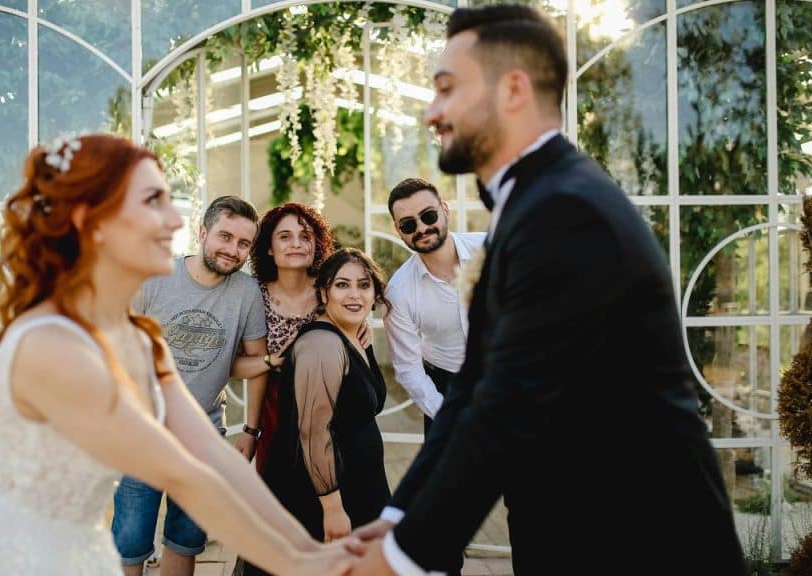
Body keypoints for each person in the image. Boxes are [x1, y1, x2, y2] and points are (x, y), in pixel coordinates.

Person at [349, 6, 747, 575]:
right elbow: (470, 390)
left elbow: (507, 401)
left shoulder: (565, 210)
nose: (432, 112)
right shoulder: (530, 207)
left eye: (445, 88)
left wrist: (400, 559)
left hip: (639, 542)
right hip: (564, 527)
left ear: (513, 89)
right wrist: (393, 523)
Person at [0, 134, 355, 576]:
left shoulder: (141, 340)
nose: (175, 222)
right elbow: (185, 475)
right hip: (12, 557)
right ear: (95, 222)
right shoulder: (51, 343)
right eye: (152, 202)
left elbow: (212, 462)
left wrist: (311, 549)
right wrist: (306, 562)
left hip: (80, 551)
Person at [111, 195, 269, 576]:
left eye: (243, 243)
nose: (233, 250)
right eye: (225, 237)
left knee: (185, 538)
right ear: (202, 232)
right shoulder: (154, 277)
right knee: (129, 542)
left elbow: (252, 364)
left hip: (203, 435)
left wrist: (251, 428)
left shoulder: (247, 293)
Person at [245, 248, 392, 576]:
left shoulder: (354, 336)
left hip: (360, 489)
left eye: (363, 285)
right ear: (324, 293)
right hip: (321, 499)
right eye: (342, 285)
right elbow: (313, 432)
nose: (354, 294)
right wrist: (333, 508)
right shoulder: (321, 345)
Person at [232, 202, 335, 470]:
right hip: (275, 414)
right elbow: (237, 367)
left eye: (305, 236)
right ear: (268, 247)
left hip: (330, 414)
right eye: (285, 236)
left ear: (317, 245)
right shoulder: (254, 295)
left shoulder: (332, 293)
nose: (296, 244)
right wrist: (251, 430)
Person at [383, 177, 486, 433]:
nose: (421, 228)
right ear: (398, 230)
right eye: (408, 224)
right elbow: (409, 369)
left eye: (428, 216)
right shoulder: (399, 292)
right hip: (447, 390)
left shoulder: (490, 249)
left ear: (444, 210)